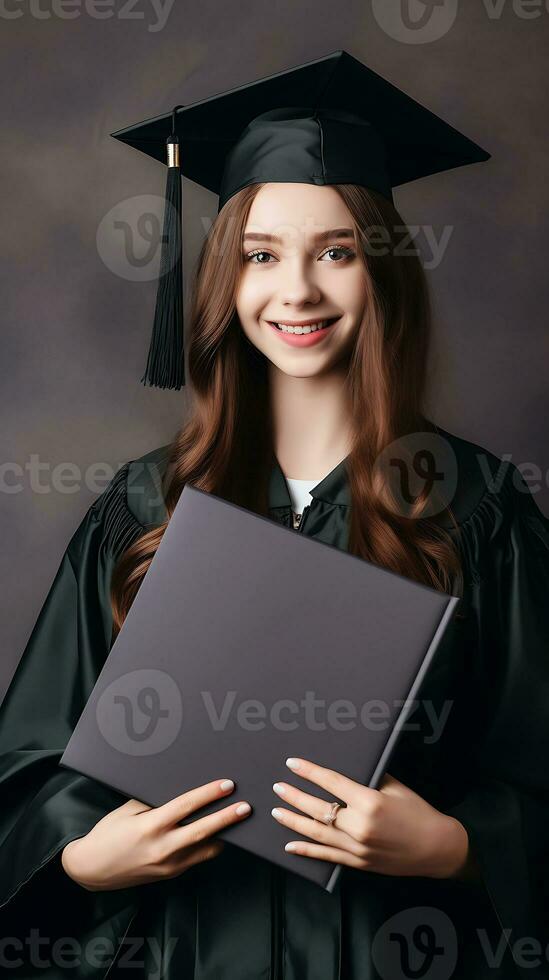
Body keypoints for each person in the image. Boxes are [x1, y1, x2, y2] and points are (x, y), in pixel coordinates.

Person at [1, 52, 548, 980]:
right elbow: (29, 770)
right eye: (261, 255)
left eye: (335, 251)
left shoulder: (475, 508)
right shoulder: (142, 507)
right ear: (225, 277)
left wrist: (456, 845)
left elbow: (535, 769)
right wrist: (83, 855)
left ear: (382, 272)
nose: (296, 291)